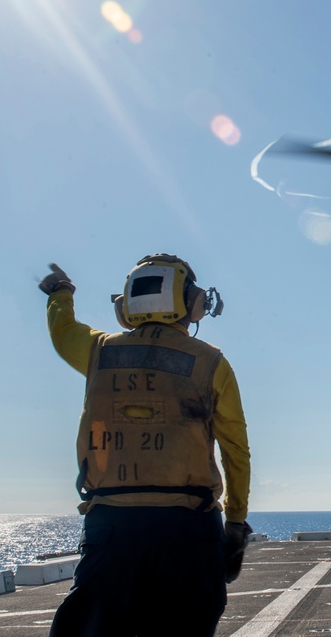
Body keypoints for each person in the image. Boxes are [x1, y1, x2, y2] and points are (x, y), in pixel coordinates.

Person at [39, 254, 252, 637]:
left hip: (112, 526)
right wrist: (235, 524)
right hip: (189, 527)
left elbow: (63, 331)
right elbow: (236, 451)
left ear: (125, 306)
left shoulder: (98, 352)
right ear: (191, 302)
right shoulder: (212, 363)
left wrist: (61, 293)